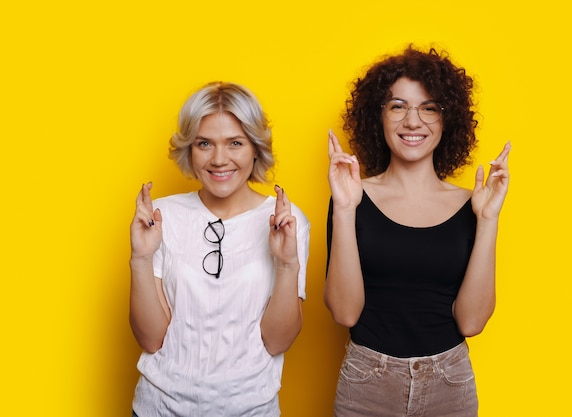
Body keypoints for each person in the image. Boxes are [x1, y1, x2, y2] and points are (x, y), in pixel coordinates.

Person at [325, 45, 511, 417]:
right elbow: (345, 313)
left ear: (447, 120)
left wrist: (488, 218)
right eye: (397, 106)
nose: (413, 121)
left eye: (429, 108)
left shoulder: (473, 204)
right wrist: (345, 209)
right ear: (377, 116)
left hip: (450, 385)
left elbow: (472, 322)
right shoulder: (352, 196)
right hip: (366, 385)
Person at [129, 81, 310, 417]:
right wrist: (140, 258)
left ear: (255, 148)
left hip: (251, 409)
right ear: (190, 149)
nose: (219, 159)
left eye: (235, 143)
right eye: (205, 144)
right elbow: (151, 339)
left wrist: (287, 265)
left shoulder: (286, 220)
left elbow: (277, 342)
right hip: (159, 408)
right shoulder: (161, 216)